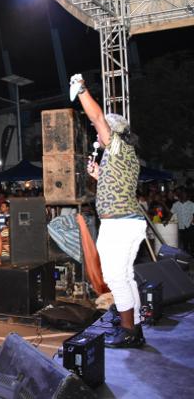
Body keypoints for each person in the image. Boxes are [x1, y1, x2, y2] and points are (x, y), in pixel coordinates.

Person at [72, 73, 146, 348]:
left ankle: (127, 330)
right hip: (127, 222)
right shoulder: (123, 155)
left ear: (113, 132)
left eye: (100, 132)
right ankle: (134, 325)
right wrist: (98, 175)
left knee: (115, 277)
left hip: (119, 224)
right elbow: (118, 184)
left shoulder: (117, 144)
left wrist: (81, 91)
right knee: (125, 276)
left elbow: (97, 118)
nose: (97, 135)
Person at [171, 189, 194, 254]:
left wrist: (191, 222)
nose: (184, 195)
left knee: (192, 241)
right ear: (180, 195)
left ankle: (192, 253)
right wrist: (166, 220)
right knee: (184, 242)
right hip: (181, 226)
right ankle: (186, 254)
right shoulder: (176, 204)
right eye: (182, 194)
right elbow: (171, 213)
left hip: (190, 226)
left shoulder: (191, 204)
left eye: (185, 194)